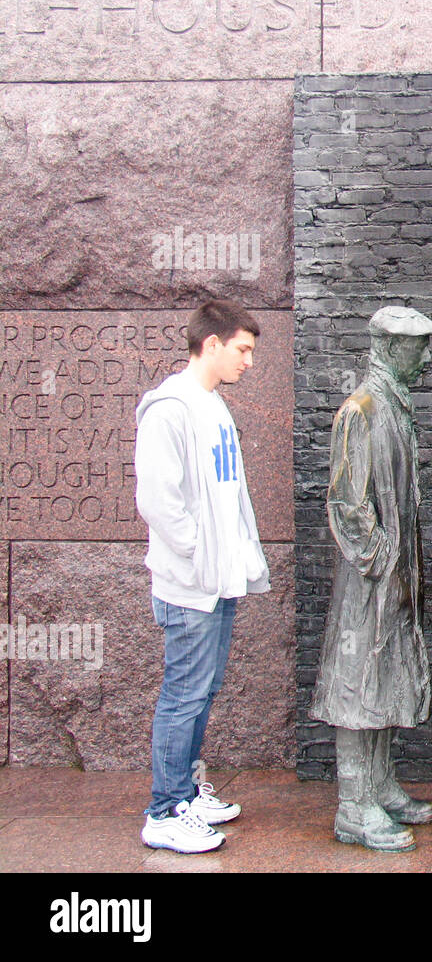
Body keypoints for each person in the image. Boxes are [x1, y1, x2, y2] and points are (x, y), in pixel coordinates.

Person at [136, 299, 269, 854]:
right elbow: (159, 503)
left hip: (218, 580)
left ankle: (186, 793)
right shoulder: (170, 409)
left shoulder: (212, 405)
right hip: (191, 585)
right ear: (210, 344)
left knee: (202, 690)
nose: (248, 362)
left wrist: (232, 562)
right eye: (242, 349)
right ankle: (164, 812)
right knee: (183, 694)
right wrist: (200, 558)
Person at [311, 306, 432, 852]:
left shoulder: (393, 405)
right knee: (357, 682)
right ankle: (353, 805)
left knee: (383, 675)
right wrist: (383, 560)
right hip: (369, 582)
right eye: (420, 347)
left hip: (391, 576)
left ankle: (381, 787)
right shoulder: (362, 409)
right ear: (389, 347)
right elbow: (348, 504)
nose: (428, 358)